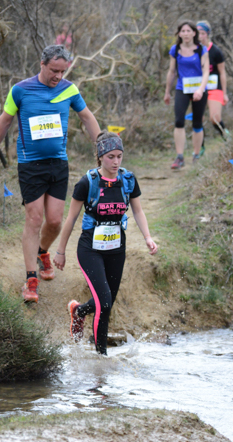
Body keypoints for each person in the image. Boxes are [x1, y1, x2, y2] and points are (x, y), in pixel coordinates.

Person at [0, 44, 100, 303]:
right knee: (34, 219)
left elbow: (87, 117)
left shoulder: (69, 89)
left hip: (58, 163)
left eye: (62, 71)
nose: (58, 76)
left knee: (55, 221)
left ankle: (42, 251)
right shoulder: (20, 90)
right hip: (30, 165)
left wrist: (102, 146)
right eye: (54, 70)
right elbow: (4, 120)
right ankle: (30, 280)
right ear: (42, 64)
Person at [52, 132, 158, 355]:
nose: (116, 162)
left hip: (116, 249)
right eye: (111, 157)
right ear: (100, 156)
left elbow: (138, 211)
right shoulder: (87, 182)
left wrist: (148, 237)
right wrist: (60, 252)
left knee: (106, 302)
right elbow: (70, 219)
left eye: (119, 156)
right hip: (90, 249)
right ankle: (102, 357)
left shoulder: (128, 180)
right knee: (105, 302)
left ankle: (79, 311)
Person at [164, 21, 209, 169]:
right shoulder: (175, 49)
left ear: (194, 33)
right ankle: (180, 157)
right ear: (179, 34)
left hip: (199, 89)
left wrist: (200, 90)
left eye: (188, 31)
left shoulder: (201, 49)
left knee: (197, 122)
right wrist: (167, 91)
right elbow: (172, 71)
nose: (186, 34)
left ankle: (196, 155)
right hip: (182, 88)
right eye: (183, 31)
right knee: (179, 121)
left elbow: (206, 72)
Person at [196, 21, 230, 141]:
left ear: (208, 34)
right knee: (197, 119)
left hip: (214, 88)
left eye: (203, 33)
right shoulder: (193, 50)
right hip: (198, 87)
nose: (200, 36)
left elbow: (222, 73)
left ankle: (227, 137)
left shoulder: (216, 51)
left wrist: (224, 93)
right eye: (198, 33)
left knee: (214, 118)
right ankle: (200, 146)